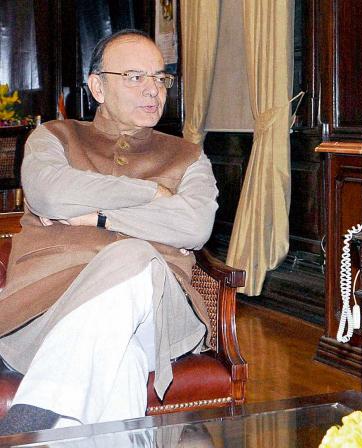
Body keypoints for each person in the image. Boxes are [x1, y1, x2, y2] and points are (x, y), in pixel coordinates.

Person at [0, 29, 218, 434]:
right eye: (135, 77)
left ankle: (31, 417)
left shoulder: (188, 156)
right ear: (98, 86)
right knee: (124, 362)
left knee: (134, 256)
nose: (153, 90)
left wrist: (99, 217)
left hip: (160, 315)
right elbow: (48, 194)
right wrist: (151, 193)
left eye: (161, 78)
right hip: (47, 307)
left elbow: (194, 224)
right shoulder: (53, 137)